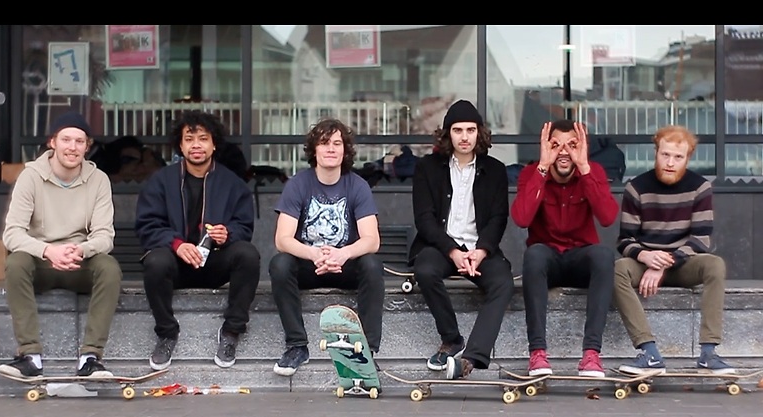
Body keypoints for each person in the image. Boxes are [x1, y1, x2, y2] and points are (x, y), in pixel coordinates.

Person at [0, 110, 122, 378]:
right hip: (41, 263)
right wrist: (47, 250)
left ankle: (90, 357)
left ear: (87, 147)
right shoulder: (30, 176)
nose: (72, 147)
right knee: (15, 262)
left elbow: (105, 236)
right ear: (52, 142)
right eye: (66, 140)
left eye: (80, 141)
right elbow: (12, 233)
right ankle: (30, 356)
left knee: (109, 267)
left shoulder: (99, 180)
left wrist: (81, 250)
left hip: (79, 261)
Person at [135, 110, 261, 371]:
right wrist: (177, 245)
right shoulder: (161, 181)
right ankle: (167, 333)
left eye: (203, 139)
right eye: (189, 139)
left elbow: (244, 226)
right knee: (155, 261)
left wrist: (228, 234)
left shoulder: (232, 183)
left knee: (248, 255)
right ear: (180, 145)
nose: (196, 145)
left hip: (214, 262)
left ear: (214, 144)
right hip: (175, 263)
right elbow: (147, 226)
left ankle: (231, 332)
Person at [614, 125, 734, 375]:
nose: (670, 163)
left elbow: (701, 239)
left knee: (715, 265)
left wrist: (663, 263)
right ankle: (649, 352)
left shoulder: (700, 187)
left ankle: (708, 353)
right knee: (617, 269)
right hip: (644, 263)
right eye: (665, 155)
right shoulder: (637, 187)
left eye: (678, 157)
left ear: (688, 158)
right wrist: (646, 257)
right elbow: (625, 240)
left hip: (682, 264)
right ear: (656, 153)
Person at [409, 99, 515, 380]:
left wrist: (481, 251)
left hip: (480, 249)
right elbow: (424, 219)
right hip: (442, 247)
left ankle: (471, 358)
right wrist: (453, 251)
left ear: (480, 133)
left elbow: (498, 218)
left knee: (503, 282)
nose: (465, 137)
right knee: (425, 270)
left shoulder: (495, 169)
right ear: (448, 134)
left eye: (470, 130)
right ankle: (452, 339)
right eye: (458, 130)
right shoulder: (427, 167)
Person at [269, 117, 384, 377]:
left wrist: (343, 254)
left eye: (336, 143)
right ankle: (297, 346)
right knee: (280, 263)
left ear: (345, 150)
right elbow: (282, 239)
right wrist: (313, 253)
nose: (331, 148)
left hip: (345, 265)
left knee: (372, 264)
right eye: (324, 143)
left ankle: (366, 352)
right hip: (311, 265)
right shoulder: (298, 184)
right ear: (314, 150)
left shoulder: (358, 185)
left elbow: (372, 240)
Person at [510, 119, 619, 378]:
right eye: (555, 145)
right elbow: (521, 219)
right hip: (547, 260)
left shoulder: (592, 171)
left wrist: (585, 167)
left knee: (604, 256)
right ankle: (537, 353)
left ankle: (591, 354)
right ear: (545, 147)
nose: (564, 152)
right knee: (535, 254)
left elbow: (607, 217)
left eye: (572, 145)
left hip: (580, 258)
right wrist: (542, 168)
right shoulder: (531, 173)